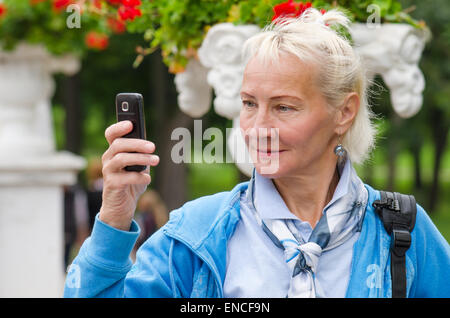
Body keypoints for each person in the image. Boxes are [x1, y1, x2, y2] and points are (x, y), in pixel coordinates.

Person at [64, 8, 450, 298]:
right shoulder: (196, 235)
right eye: (249, 104)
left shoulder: (403, 232)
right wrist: (114, 216)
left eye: (284, 107)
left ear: (344, 112)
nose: (257, 127)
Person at [131, 189, 169, 262]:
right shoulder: (162, 217)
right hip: (157, 255)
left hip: (141, 253)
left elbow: (138, 237)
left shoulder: (142, 218)